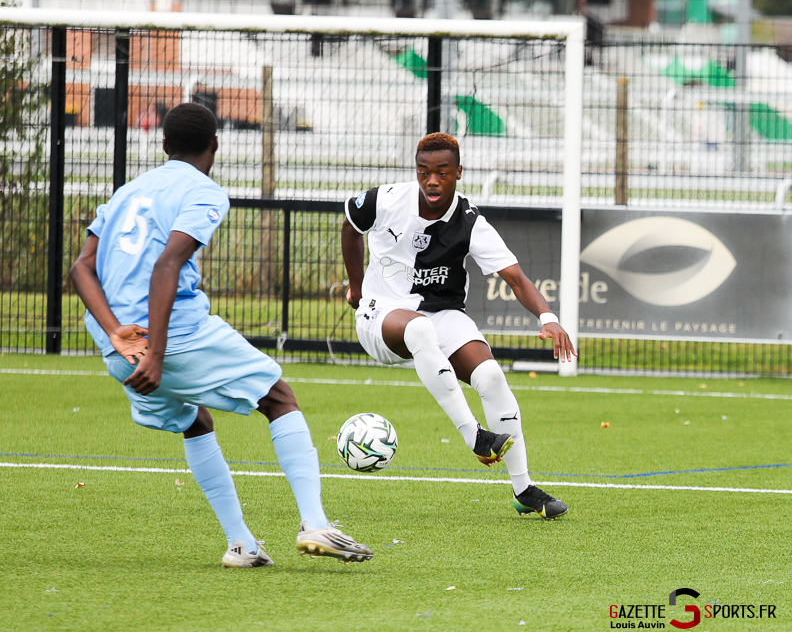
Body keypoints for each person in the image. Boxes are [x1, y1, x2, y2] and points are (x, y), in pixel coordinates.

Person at [70, 103, 373, 567]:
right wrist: (157, 353)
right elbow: (167, 264)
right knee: (278, 397)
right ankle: (314, 523)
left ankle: (242, 546)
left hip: (117, 345)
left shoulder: (128, 192)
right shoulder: (203, 191)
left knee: (195, 420)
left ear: (165, 146)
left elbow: (81, 267)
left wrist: (117, 334)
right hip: (173, 335)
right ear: (215, 145)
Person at [340, 132, 576, 519]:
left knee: (491, 377)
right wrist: (354, 286)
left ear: (458, 173)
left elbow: (515, 278)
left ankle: (524, 489)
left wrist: (548, 318)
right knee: (419, 330)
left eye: (442, 173)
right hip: (381, 316)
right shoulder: (386, 200)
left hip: (441, 314)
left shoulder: (470, 222)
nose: (432, 181)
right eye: (424, 172)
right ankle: (476, 437)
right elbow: (351, 224)